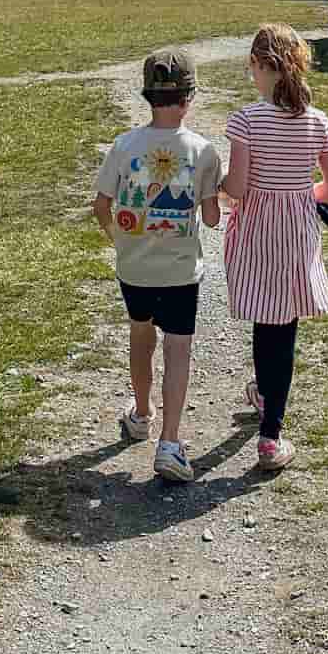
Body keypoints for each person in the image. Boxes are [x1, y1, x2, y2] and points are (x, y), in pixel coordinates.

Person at [93, 48, 221, 484]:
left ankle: (141, 413)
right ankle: (169, 442)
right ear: (190, 97)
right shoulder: (203, 151)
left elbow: (101, 205)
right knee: (178, 350)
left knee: (141, 335)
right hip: (182, 272)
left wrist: (120, 240)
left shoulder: (124, 145)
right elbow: (210, 217)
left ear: (147, 95)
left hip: (135, 269)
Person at [220, 23, 328, 473]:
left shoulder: (246, 120)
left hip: (257, 230)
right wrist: (299, 195)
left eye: (251, 67)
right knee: (284, 327)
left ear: (261, 66)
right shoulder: (317, 120)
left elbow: (236, 187)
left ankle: (265, 400)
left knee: (264, 319)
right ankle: (271, 433)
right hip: (295, 232)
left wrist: (218, 190)